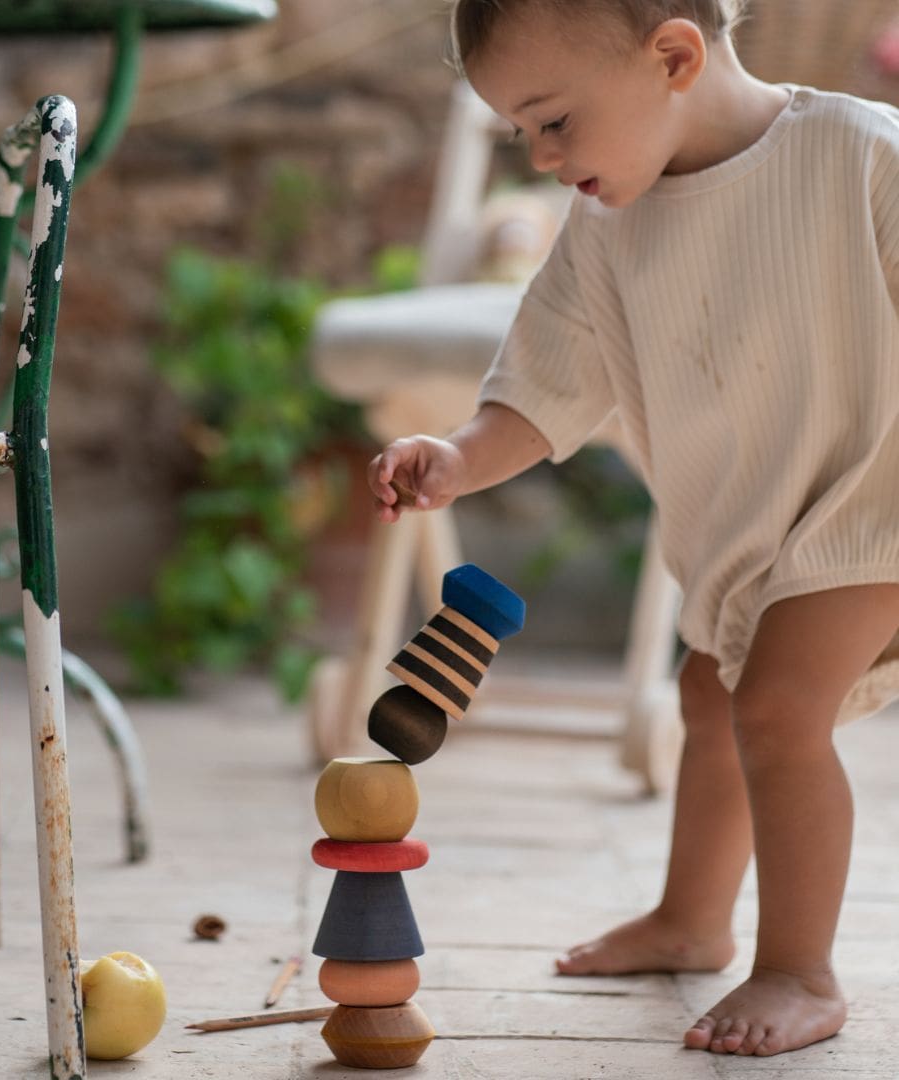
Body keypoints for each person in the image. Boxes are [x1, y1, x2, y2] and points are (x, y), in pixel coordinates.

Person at [367, 0, 899, 1059]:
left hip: (871, 509)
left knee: (779, 714)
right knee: (710, 694)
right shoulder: (608, 227)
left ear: (673, 55)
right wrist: (464, 457)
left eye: (553, 121)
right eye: (522, 132)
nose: (541, 157)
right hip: (746, 534)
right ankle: (690, 918)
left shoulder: (862, 159)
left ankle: (799, 966)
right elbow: (549, 380)